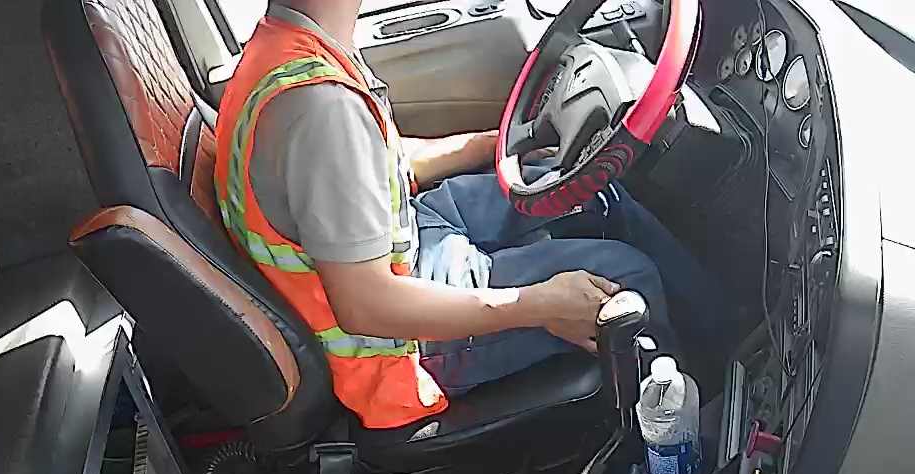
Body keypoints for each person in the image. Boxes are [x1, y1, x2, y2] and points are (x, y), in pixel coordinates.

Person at [214, 0, 733, 429]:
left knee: (591, 194)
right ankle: (701, 420)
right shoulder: (320, 108)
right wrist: (536, 304)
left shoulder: (284, 48)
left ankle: (725, 331)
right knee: (628, 277)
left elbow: (378, 163)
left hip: (409, 236)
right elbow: (365, 306)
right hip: (398, 344)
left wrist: (497, 145)